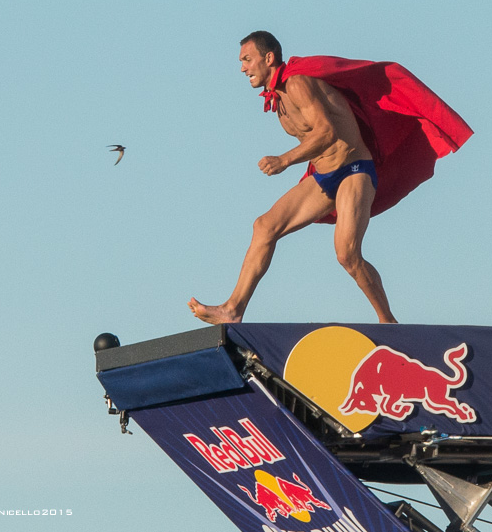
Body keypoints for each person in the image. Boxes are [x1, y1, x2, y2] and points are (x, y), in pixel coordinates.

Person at [188, 31, 473, 324]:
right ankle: (233, 309)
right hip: (325, 177)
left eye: (247, 60)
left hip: (354, 170)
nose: (243, 68)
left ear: (268, 58)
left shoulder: (298, 84)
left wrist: (284, 160)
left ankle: (387, 321)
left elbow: (326, 133)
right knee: (264, 226)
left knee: (347, 254)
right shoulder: (279, 99)